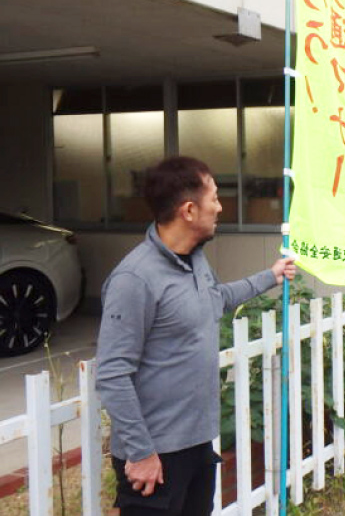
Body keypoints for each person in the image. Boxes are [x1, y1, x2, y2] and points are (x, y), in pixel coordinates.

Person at [95, 156, 297, 515]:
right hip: (155, 459)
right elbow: (112, 374)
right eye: (215, 198)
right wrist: (141, 453)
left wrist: (271, 276)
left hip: (197, 443)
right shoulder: (134, 279)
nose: (220, 207)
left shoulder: (194, 259)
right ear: (189, 210)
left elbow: (215, 300)